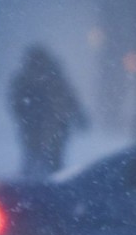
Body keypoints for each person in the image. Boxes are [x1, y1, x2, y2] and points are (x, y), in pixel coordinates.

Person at [8, 45, 87, 179]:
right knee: (50, 163)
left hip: (41, 128)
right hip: (51, 127)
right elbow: (69, 98)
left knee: (35, 161)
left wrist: (25, 116)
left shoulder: (26, 78)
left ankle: (30, 190)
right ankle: (49, 189)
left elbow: (15, 102)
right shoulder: (53, 76)